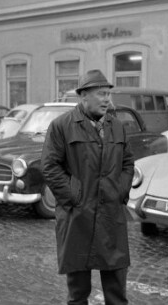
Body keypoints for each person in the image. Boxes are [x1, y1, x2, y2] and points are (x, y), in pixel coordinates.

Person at [41, 69, 135, 305]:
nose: (107, 99)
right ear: (83, 95)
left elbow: (127, 162)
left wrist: (120, 191)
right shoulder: (61, 126)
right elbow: (50, 167)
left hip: (111, 215)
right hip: (77, 217)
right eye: (101, 94)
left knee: (116, 292)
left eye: (108, 94)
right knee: (77, 293)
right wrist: (74, 196)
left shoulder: (116, 125)